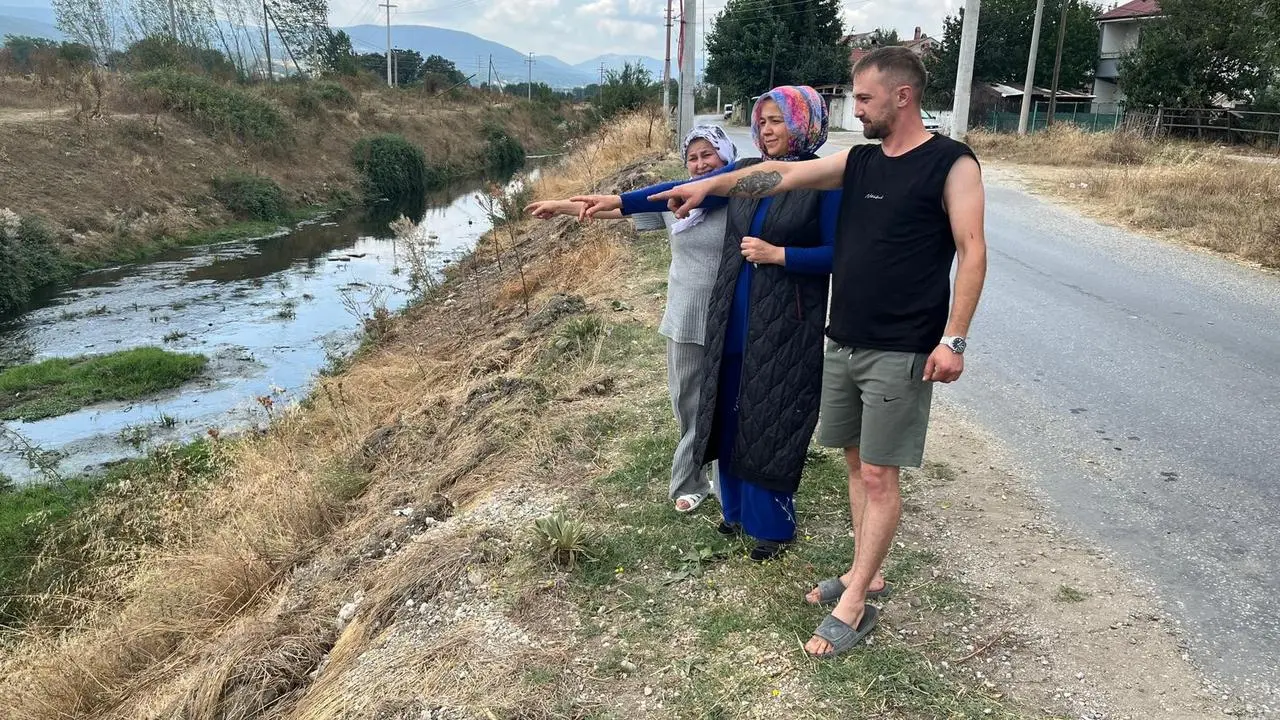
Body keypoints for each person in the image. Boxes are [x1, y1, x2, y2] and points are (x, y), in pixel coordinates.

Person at [633, 47, 988, 658]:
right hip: (843, 337)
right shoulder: (861, 161)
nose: (859, 109)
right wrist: (708, 184)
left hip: (902, 343)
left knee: (879, 472)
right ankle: (864, 572)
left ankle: (855, 604)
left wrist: (953, 338)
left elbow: (973, 250)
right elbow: (779, 176)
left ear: (903, 96)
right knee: (855, 464)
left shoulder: (951, 163)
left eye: (866, 98)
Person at [572, 86, 842, 562]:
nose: (767, 130)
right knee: (729, 413)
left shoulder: (825, 182)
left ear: (805, 123)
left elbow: (840, 255)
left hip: (783, 323)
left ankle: (771, 529)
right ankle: (734, 512)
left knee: (769, 418)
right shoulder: (747, 173)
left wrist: (781, 255)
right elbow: (682, 192)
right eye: (762, 121)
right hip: (729, 318)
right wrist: (616, 201)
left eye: (777, 120)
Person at [525, 126, 738, 515]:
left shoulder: (740, 197)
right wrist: (563, 206)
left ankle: (728, 485)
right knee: (688, 403)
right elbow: (620, 209)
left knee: (727, 401)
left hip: (731, 315)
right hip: (684, 317)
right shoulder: (675, 201)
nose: (700, 164)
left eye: (708, 154)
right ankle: (691, 481)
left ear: (726, 155)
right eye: (692, 158)